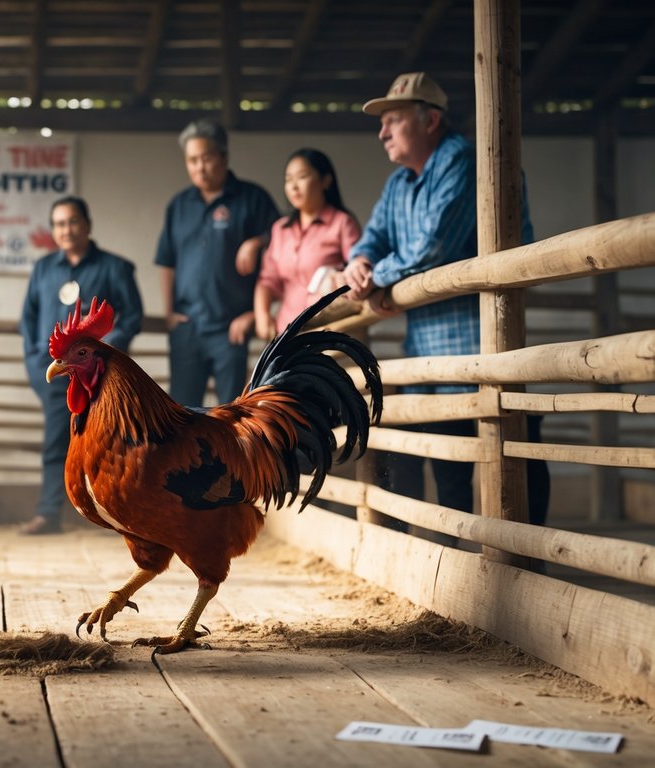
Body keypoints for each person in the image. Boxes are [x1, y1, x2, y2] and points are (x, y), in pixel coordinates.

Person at [342, 72, 549, 525]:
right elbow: (373, 237)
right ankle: (453, 556)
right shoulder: (400, 183)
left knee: (515, 452)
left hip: (484, 337)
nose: (382, 132)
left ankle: (527, 557)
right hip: (431, 348)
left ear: (430, 120)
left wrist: (377, 277)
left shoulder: (463, 160)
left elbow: (431, 247)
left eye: (393, 121)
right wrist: (360, 261)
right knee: (449, 458)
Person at [19, 196, 143, 535]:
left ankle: (120, 516)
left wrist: (105, 352)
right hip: (57, 376)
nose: (66, 230)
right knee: (56, 443)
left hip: (100, 378)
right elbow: (28, 320)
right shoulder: (43, 269)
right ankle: (49, 513)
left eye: (72, 222)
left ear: (87, 225)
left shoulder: (116, 268)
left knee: (115, 443)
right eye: (59, 224)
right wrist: (34, 364)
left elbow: (132, 315)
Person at [156, 118, 279, 408]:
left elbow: (283, 248)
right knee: (182, 415)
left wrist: (257, 242)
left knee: (232, 413)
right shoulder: (179, 205)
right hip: (187, 328)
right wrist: (169, 313)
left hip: (231, 327)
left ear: (224, 156)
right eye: (192, 160)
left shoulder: (252, 198)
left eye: (207, 158)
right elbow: (167, 262)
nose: (200, 167)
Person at [254, 148, 361, 340]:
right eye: (288, 179)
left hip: (331, 334)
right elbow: (267, 281)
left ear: (325, 181)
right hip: (286, 335)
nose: (293, 186)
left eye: (302, 177)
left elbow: (358, 267)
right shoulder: (280, 229)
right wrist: (262, 315)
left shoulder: (342, 223)